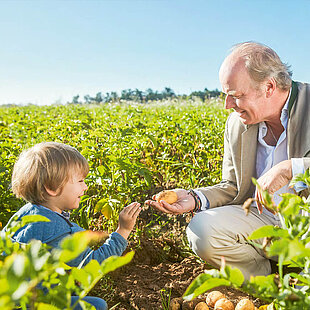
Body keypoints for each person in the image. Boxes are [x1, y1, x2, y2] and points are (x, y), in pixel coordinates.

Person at [146, 42, 310, 280]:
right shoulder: (237, 124)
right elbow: (232, 185)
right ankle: (267, 284)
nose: (228, 105)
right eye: (226, 96)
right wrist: (194, 198)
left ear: (269, 87)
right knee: (203, 230)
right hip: (264, 219)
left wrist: (291, 169)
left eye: (236, 96)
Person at [3, 142, 141, 310]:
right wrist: (123, 230)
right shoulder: (54, 230)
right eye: (80, 180)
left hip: (12, 295)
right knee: (97, 306)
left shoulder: (25, 214)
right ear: (52, 188)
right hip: (32, 303)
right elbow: (93, 265)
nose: (85, 186)